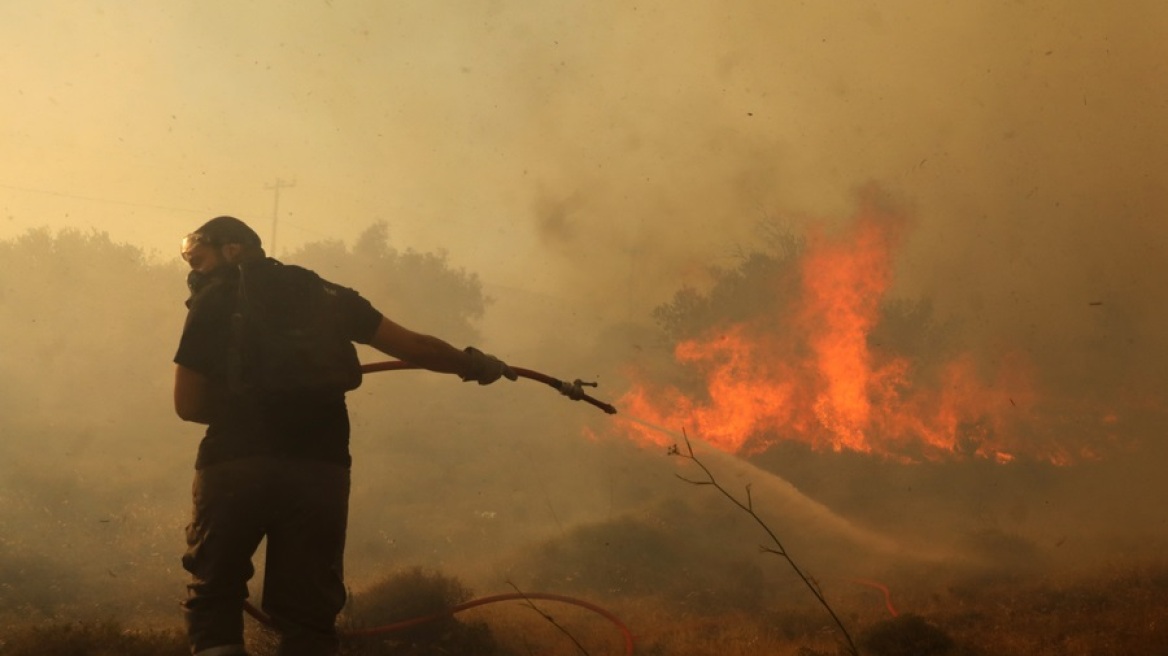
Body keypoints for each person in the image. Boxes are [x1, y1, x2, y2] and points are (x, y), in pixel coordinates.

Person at [173, 215, 516, 656]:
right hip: (320, 470)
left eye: (199, 261)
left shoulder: (214, 300)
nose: (195, 273)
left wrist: (246, 401)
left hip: (234, 464)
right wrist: (476, 365)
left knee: (215, 599)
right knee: (308, 618)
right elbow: (417, 348)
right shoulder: (325, 294)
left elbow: (188, 406)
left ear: (232, 250)